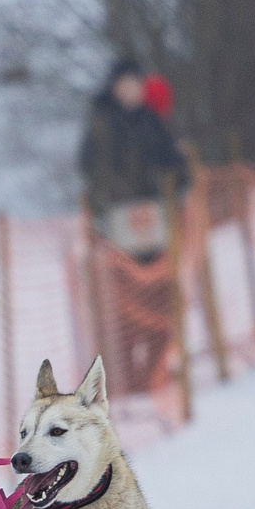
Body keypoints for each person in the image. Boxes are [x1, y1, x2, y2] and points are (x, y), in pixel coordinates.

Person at [77, 56, 188, 397]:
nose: (130, 91)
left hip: (154, 225)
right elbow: (91, 169)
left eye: (135, 84)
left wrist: (173, 183)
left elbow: (175, 165)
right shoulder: (102, 123)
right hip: (118, 227)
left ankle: (152, 371)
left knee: (162, 300)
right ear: (114, 87)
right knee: (122, 307)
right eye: (124, 84)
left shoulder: (152, 121)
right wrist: (106, 206)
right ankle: (126, 378)